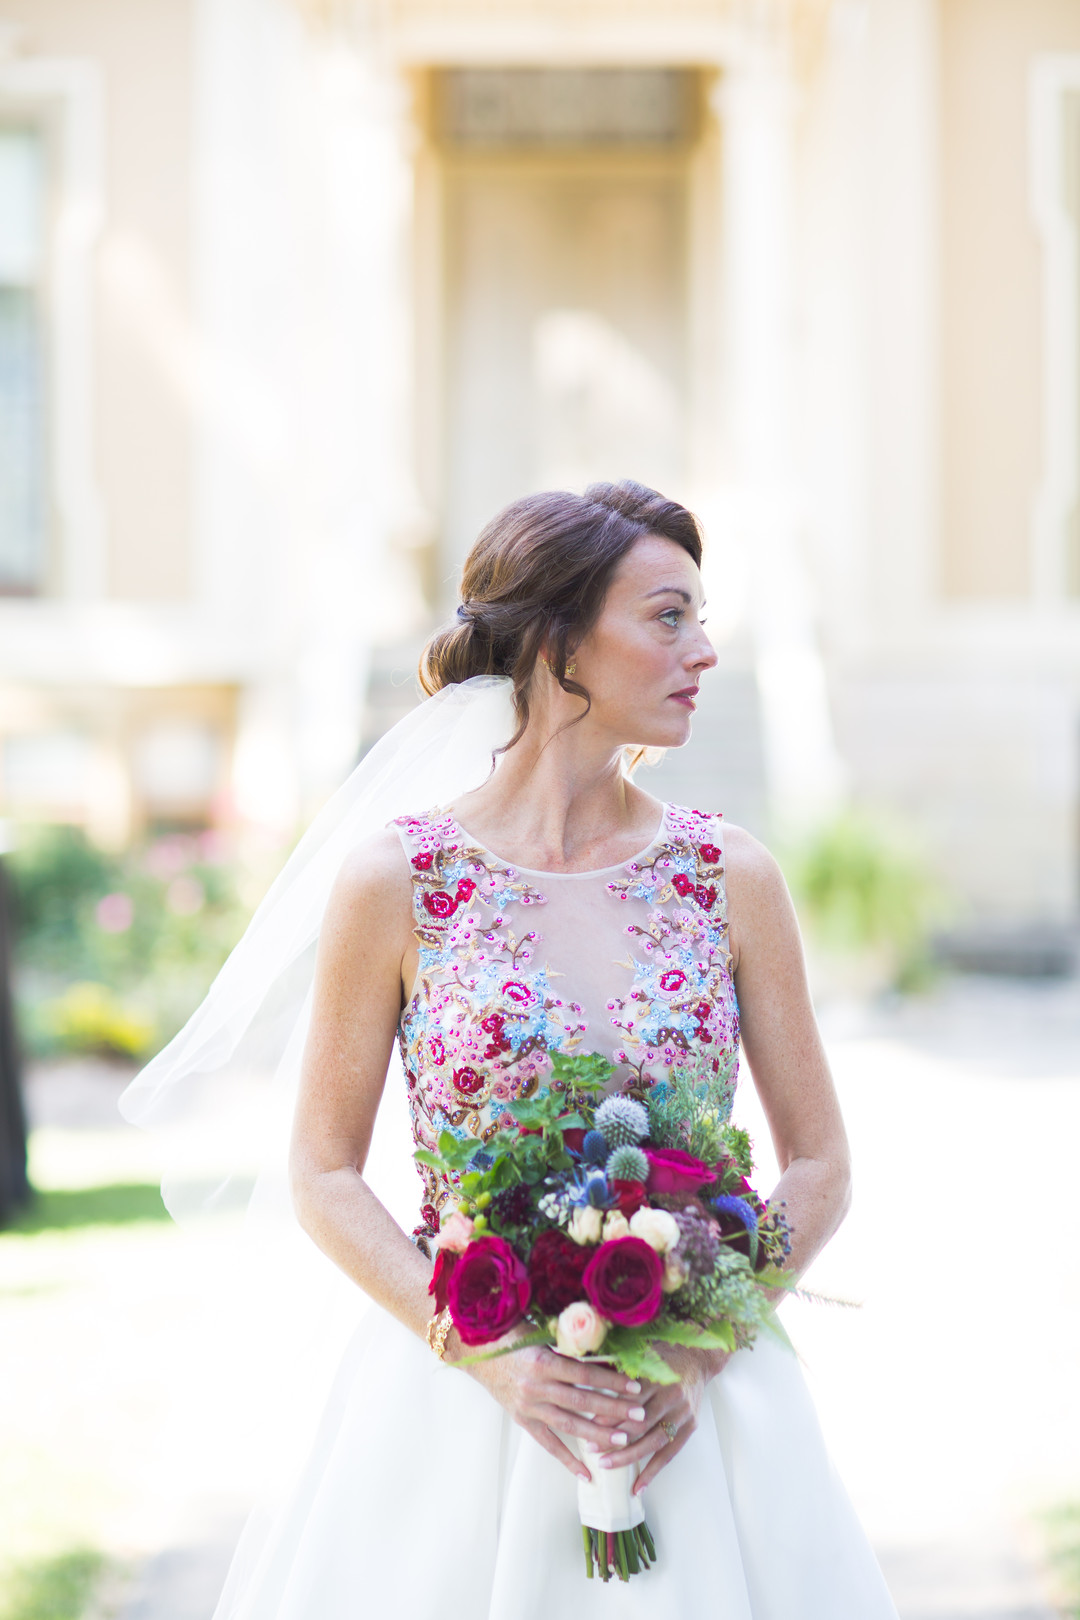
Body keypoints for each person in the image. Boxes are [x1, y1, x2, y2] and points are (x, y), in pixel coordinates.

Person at [131, 481, 899, 1619]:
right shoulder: (399, 880)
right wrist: (491, 1359)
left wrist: (696, 1353)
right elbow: (324, 1174)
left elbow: (822, 1163)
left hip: (698, 1418)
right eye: (669, 617)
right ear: (559, 642)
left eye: (700, 617)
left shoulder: (730, 875)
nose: (707, 651)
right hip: (457, 1409)